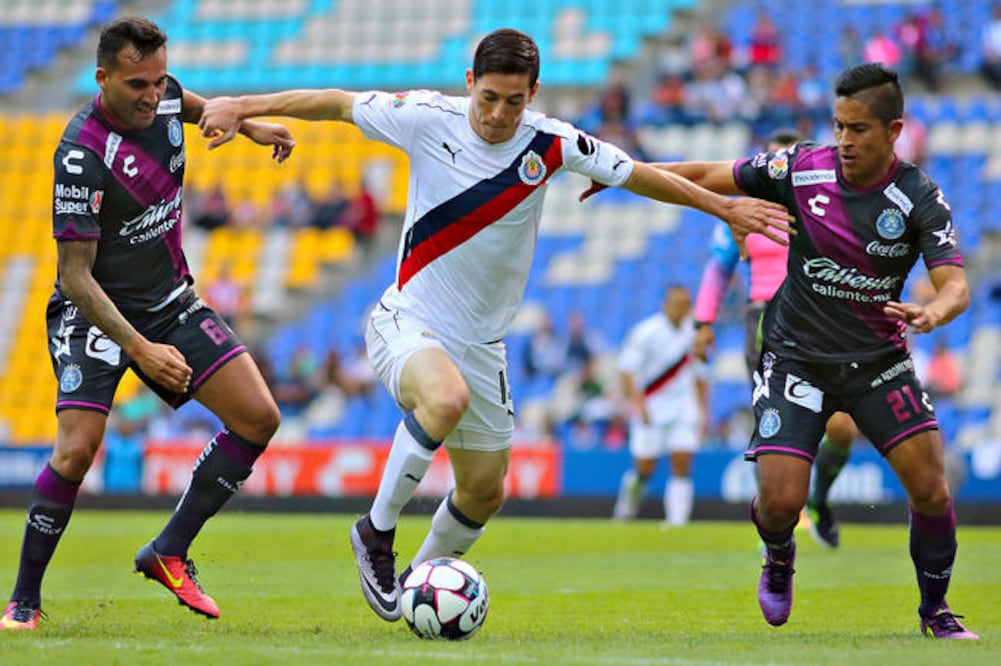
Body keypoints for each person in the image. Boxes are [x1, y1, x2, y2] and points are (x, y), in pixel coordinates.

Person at [197, 27, 793, 623]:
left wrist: (725, 205)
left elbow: (639, 175)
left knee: (484, 492)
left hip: (483, 345)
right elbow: (334, 101)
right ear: (469, 84)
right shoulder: (428, 117)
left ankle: (414, 590)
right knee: (444, 398)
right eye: (488, 98)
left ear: (533, 92)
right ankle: (375, 534)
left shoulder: (553, 143)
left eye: (514, 101)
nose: (498, 114)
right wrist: (242, 106)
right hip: (409, 318)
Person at [587, 63, 977, 638]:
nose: (844, 140)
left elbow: (956, 285)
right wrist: (626, 173)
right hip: (794, 356)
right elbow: (709, 173)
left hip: (879, 361)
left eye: (859, 130)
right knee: (778, 503)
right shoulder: (799, 167)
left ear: (894, 130)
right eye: (838, 125)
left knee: (931, 488)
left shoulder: (918, 196)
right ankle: (778, 555)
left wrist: (933, 312)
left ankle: (936, 611)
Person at [1, 17, 295, 630]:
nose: (151, 95)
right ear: (102, 77)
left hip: (170, 302)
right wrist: (141, 348)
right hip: (97, 314)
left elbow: (196, 106)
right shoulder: (81, 155)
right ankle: (23, 601)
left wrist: (246, 122)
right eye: (137, 83)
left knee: (259, 417)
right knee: (77, 451)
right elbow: (77, 278)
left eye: (158, 81)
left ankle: (168, 550)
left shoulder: (163, 99)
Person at [692, 129, 858, 549]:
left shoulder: (821, 207)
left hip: (820, 317)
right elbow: (718, 268)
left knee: (842, 428)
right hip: (765, 317)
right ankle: (776, 531)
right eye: (767, 164)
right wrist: (703, 322)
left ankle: (819, 498)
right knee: (771, 422)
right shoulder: (745, 213)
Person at [613, 285, 708, 526]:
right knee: (645, 468)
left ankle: (677, 522)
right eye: (676, 303)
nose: (681, 308)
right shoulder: (647, 332)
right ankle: (627, 504)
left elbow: (700, 376)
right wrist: (638, 403)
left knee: (682, 461)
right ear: (666, 304)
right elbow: (627, 369)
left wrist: (703, 412)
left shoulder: (693, 334)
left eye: (686, 303)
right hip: (652, 407)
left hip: (683, 408)